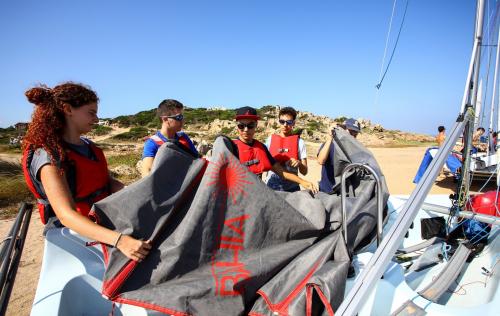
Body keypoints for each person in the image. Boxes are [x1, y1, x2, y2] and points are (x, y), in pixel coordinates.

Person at [22, 82, 151, 262]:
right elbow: (66, 215)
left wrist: (138, 194)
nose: (96, 119)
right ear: (68, 109)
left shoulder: (90, 148)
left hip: (102, 219)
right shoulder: (48, 156)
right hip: (71, 232)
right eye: (91, 112)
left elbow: (107, 183)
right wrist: (120, 241)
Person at [232, 106, 318, 194]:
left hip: (267, 193)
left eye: (250, 125)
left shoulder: (261, 148)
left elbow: (282, 172)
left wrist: (303, 181)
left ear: (256, 125)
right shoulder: (230, 147)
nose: (246, 130)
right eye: (241, 126)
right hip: (248, 193)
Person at [141, 99, 199, 177]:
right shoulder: (152, 143)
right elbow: (146, 173)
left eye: (182, 117)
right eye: (179, 117)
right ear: (165, 119)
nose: (183, 121)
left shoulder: (183, 137)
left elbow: (197, 159)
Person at [265, 107, 308, 192]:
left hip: (292, 188)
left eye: (289, 122)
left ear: (293, 123)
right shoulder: (270, 140)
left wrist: (299, 164)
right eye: (282, 122)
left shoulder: (300, 143)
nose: (285, 125)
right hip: (271, 187)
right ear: (278, 121)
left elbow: (304, 172)